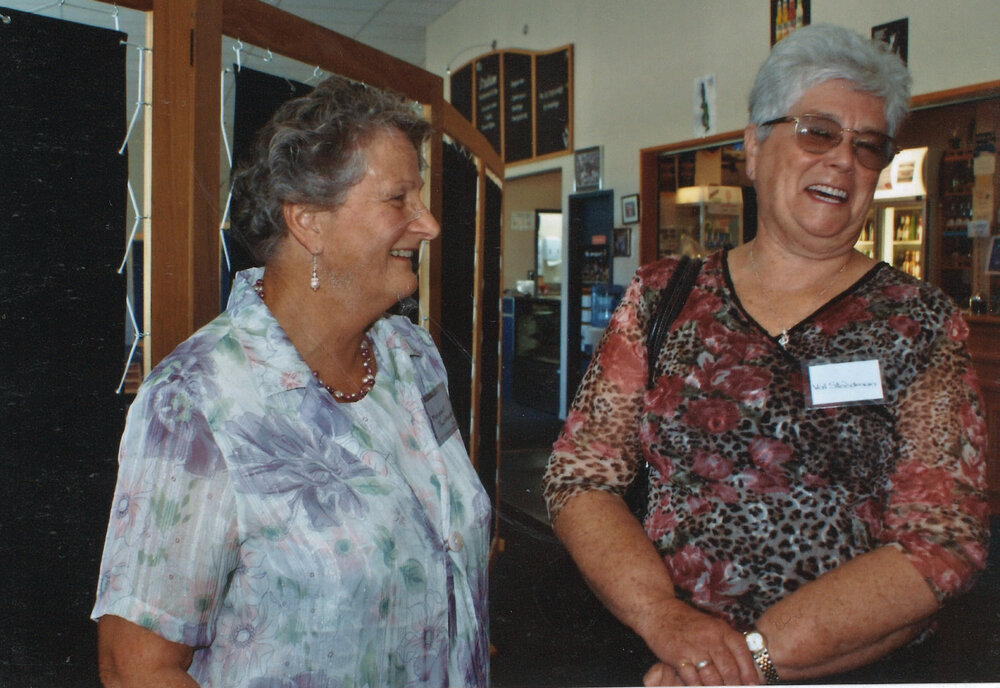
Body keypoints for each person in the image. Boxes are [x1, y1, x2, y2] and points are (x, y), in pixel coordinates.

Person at [543, 23, 989, 687]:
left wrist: (740, 660)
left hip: (837, 668)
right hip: (657, 650)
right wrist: (668, 623)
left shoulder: (920, 325)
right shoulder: (663, 295)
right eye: (818, 132)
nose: (844, 160)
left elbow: (943, 542)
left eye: (869, 148)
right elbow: (581, 475)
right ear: (753, 148)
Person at [92, 75, 491, 687]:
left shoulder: (413, 358)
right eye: (399, 199)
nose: (430, 224)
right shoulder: (196, 401)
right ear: (308, 222)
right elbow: (135, 668)